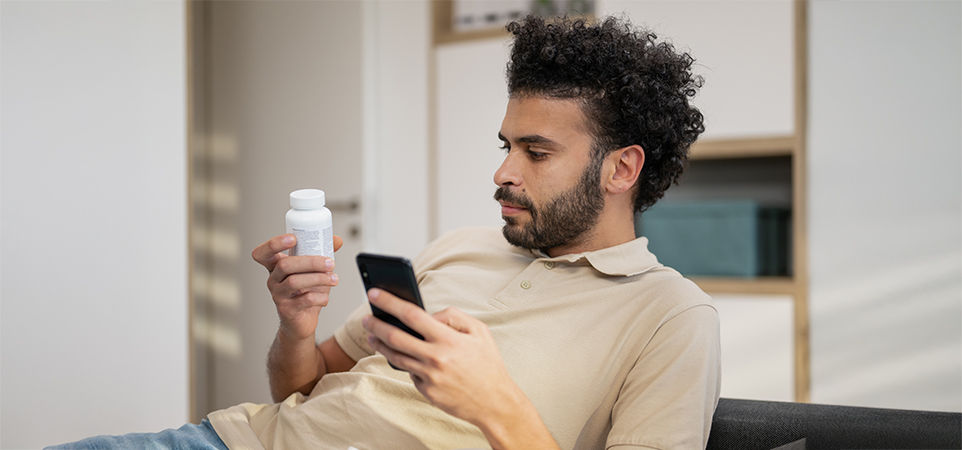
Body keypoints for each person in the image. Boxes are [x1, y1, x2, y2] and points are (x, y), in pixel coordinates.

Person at [49, 14, 718, 450]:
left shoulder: (669, 316)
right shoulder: (461, 246)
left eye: (535, 153)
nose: (503, 171)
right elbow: (300, 389)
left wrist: (494, 402)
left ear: (622, 167)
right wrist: (297, 325)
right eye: (505, 144)